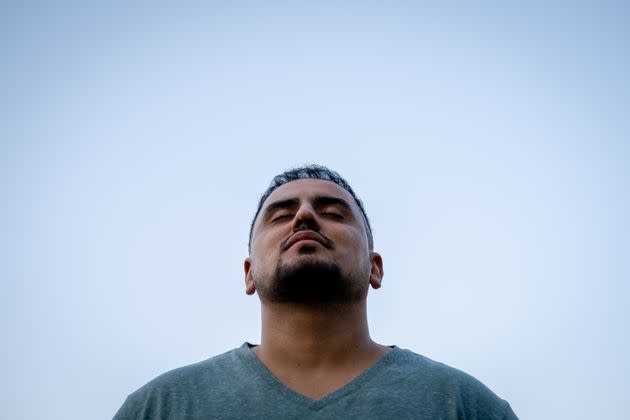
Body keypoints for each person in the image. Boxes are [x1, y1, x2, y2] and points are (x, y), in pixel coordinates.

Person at [113, 164, 518, 419]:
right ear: (249, 274)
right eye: (281, 215)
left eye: (332, 213)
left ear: (375, 269)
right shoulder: (160, 408)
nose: (304, 216)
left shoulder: (465, 407)